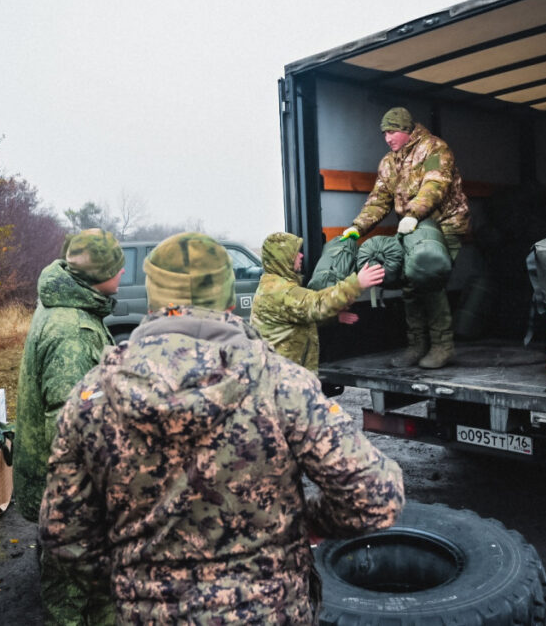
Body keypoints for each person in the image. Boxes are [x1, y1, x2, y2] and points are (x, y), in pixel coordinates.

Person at [39, 232, 404, 623]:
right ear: (230, 301)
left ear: (154, 301)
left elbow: (63, 534)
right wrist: (309, 523)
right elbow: (376, 494)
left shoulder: (91, 397)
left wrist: (131, 581)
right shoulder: (282, 384)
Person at [12, 227, 124, 625]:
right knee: (72, 598)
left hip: (58, 490)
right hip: (69, 496)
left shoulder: (71, 308)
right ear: (99, 274)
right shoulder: (72, 331)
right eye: (118, 267)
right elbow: (68, 428)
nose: (124, 274)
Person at [342, 106, 470, 369]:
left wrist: (413, 212)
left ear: (406, 129)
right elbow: (378, 201)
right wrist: (357, 227)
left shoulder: (435, 149)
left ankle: (442, 346)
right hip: (413, 228)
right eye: (384, 134)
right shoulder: (389, 162)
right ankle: (416, 346)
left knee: (429, 278)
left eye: (392, 131)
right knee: (410, 286)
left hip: (445, 225)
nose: (388, 138)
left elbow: (436, 184)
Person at [251, 231, 385, 372]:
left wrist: (334, 318)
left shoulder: (272, 284)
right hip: (282, 379)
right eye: (295, 253)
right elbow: (318, 303)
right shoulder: (281, 291)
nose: (301, 255)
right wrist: (357, 283)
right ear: (283, 257)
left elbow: (302, 314)